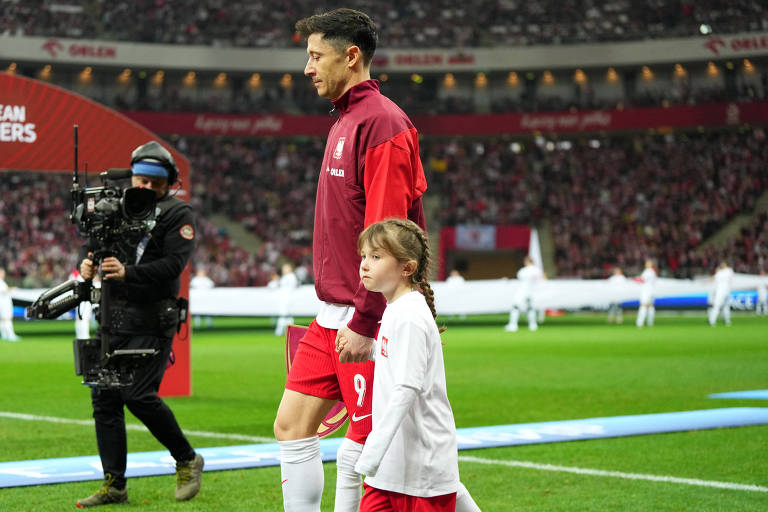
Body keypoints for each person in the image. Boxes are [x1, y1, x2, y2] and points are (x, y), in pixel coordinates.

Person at [274, 9, 479, 512]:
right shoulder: (346, 118)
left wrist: (367, 319)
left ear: (352, 56)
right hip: (332, 313)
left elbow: (390, 235)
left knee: (376, 452)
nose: (307, 67)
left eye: (315, 55)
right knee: (291, 426)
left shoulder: (382, 122)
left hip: (371, 316)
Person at [75, 141, 203, 507]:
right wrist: (89, 266)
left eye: (154, 183)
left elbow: (173, 267)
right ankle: (114, 485)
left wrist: (127, 272)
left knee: (137, 394)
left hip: (153, 318)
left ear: (168, 184)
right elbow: (98, 250)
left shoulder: (179, 213)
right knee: (104, 400)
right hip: (113, 317)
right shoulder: (117, 207)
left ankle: (187, 458)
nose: (145, 188)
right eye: (141, 180)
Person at [339, 219, 459, 511]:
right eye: (364, 256)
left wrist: (371, 452)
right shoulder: (395, 310)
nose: (364, 265)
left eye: (376, 257)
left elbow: (407, 387)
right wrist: (370, 352)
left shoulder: (410, 316)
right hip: (391, 469)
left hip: (421, 470)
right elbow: (396, 361)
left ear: (407, 268)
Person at [505, 256, 544, 332]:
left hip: (522, 291)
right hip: (532, 291)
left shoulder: (523, 271)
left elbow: (519, 277)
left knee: (515, 307)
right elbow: (542, 278)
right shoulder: (537, 270)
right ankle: (533, 325)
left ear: (527, 262)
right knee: (530, 308)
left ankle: (513, 325)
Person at [275, 262, 300, 336]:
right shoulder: (286, 277)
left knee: (285, 314)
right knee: (286, 315)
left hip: (287, 298)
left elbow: (293, 287)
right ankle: (289, 331)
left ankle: (281, 330)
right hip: (284, 298)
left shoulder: (291, 276)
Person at [708, 261, 734, 326]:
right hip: (725, 291)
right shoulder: (727, 271)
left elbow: (713, 278)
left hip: (721, 292)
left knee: (718, 306)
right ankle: (726, 321)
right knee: (725, 307)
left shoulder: (724, 272)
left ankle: (712, 321)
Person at [0, 267, 20, 342]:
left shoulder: (2, 282)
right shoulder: (0, 282)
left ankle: (5, 335)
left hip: (3, 303)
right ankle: (10, 335)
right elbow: (4, 291)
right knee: (7, 319)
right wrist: (13, 288)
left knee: (3, 320)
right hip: (4, 304)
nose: (3, 274)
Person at [636, 259, 657, 327]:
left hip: (646, 291)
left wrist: (634, 279)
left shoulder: (647, 271)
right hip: (652, 291)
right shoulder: (653, 272)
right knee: (651, 306)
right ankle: (650, 322)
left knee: (643, 305)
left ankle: (640, 323)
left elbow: (642, 280)